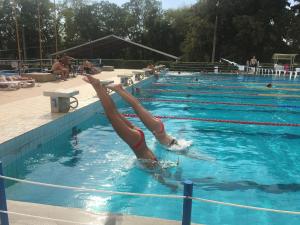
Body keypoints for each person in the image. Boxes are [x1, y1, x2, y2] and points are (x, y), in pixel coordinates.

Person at [83, 75, 158, 166]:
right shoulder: (154, 169)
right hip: (136, 142)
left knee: (114, 113)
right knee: (111, 115)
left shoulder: (154, 162)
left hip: (139, 138)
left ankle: (101, 90)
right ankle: (98, 86)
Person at [106, 83, 179, 148]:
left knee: (137, 105)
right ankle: (118, 89)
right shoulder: (169, 145)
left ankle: (120, 89)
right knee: (136, 106)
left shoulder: (172, 140)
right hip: (156, 128)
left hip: (159, 126)